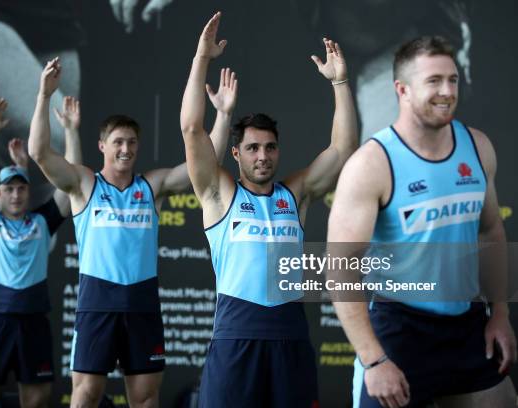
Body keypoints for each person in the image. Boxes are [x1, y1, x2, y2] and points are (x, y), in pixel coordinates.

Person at [27, 55, 232, 408]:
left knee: (145, 398)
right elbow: (39, 152)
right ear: (102, 146)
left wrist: (224, 115)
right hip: (97, 307)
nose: (126, 149)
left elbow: (206, 164)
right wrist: (44, 96)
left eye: (132, 143)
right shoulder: (83, 184)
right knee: (86, 395)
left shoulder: (152, 186)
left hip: (142, 307)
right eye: (118, 142)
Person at [328, 36, 517, 408]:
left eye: (452, 80)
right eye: (433, 81)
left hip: (466, 324)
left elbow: (491, 231)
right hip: (399, 331)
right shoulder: (372, 164)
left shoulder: (477, 147)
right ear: (402, 89)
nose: (447, 91)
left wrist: (500, 313)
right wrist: (374, 359)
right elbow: (340, 270)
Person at [179, 12, 357, 408]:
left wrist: (340, 83)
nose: (263, 156)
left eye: (270, 147)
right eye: (254, 148)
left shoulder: (296, 194)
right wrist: (201, 58)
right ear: (236, 153)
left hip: (290, 338)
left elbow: (342, 149)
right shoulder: (218, 194)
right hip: (235, 339)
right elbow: (192, 129)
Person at [0, 98, 74, 407]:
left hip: (33, 322)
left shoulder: (42, 220)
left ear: (28, 191)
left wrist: (72, 132)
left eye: (21, 187)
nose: (16, 193)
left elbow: (71, 184)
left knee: (36, 400)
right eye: (9, 188)